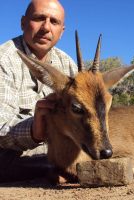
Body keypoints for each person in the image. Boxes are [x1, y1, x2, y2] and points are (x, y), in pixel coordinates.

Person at [0, 0, 77, 182]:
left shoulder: (67, 64)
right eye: (39, 18)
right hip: (10, 157)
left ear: (62, 31)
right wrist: (34, 130)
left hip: (57, 153)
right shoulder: (4, 60)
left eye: (54, 22)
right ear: (23, 22)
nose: (46, 28)